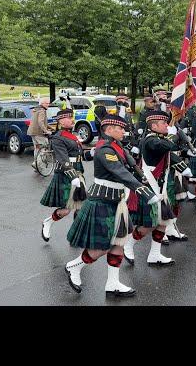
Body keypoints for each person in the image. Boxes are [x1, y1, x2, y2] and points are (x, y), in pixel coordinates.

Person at [65, 114, 158, 297]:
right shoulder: (104, 149)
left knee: (119, 243)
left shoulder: (118, 146)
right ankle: (74, 267)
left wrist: (143, 178)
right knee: (100, 247)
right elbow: (120, 172)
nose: (124, 131)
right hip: (102, 201)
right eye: (120, 128)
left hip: (117, 201)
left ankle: (113, 283)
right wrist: (142, 190)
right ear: (108, 129)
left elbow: (131, 167)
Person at [123, 110, 191, 265]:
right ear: (154, 126)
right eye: (164, 123)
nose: (167, 125)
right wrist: (174, 135)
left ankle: (154, 254)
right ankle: (129, 244)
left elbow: (169, 155)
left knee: (162, 222)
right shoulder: (150, 140)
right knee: (149, 225)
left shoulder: (159, 138)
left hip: (161, 187)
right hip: (150, 187)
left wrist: (185, 159)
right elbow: (166, 146)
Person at [40, 109, 93, 242]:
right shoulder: (58, 138)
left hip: (78, 174)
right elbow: (63, 160)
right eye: (69, 118)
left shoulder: (73, 136)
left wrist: (91, 153)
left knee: (81, 207)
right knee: (66, 210)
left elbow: (79, 157)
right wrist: (73, 177)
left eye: (72, 117)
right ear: (61, 121)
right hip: (66, 175)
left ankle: (76, 234)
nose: (72, 120)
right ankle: (48, 222)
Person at [27, 97, 51, 170]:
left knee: (37, 149)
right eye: (47, 103)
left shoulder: (36, 110)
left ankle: (37, 166)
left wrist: (50, 127)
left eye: (48, 103)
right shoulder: (42, 111)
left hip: (32, 132)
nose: (48, 105)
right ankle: (36, 164)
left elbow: (40, 121)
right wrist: (46, 131)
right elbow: (40, 122)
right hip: (39, 133)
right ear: (42, 103)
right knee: (44, 148)